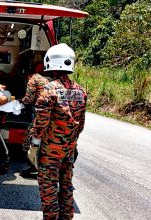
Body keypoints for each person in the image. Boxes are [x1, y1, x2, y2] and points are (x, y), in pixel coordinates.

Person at [28, 43, 87, 220]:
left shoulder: (49, 90)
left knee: (49, 189)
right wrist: (71, 142)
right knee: (66, 185)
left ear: (50, 63)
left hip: (50, 152)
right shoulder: (81, 91)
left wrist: (34, 145)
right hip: (69, 149)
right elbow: (81, 124)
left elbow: (41, 123)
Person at [19, 62, 50, 179]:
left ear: (28, 74)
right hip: (48, 114)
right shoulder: (45, 79)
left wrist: (19, 101)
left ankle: (33, 165)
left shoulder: (33, 79)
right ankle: (36, 165)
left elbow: (29, 98)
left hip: (40, 114)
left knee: (28, 138)